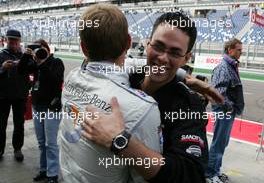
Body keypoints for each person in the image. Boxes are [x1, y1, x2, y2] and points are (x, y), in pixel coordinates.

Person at [81, 12, 224, 183]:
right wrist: (183, 75)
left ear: (187, 58)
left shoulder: (188, 105)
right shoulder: (125, 77)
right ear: (147, 45)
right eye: (158, 46)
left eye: (175, 52)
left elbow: (190, 173)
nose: (163, 57)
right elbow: (93, 65)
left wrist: (120, 142)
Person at [59, 4, 162, 183]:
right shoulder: (143, 108)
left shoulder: (72, 78)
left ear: (83, 48)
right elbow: (147, 178)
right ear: (129, 42)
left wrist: (182, 75)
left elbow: (121, 66)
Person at [17, 39, 65, 183]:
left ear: (47, 49)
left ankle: (53, 175)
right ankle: (44, 170)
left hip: (52, 107)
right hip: (38, 107)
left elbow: (55, 81)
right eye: (36, 49)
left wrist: (43, 63)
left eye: (41, 48)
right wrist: (26, 56)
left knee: (50, 143)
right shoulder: (34, 63)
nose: (40, 51)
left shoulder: (56, 62)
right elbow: (20, 71)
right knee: (41, 142)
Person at [205, 38, 244, 183]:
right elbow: (218, 94)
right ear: (230, 50)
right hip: (224, 111)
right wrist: (231, 107)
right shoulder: (223, 67)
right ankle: (209, 174)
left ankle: (216, 170)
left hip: (228, 111)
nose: (241, 52)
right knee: (219, 143)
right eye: (239, 49)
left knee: (222, 143)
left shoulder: (230, 66)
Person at [0, 29, 30, 161]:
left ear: (19, 41)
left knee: (19, 124)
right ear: (6, 40)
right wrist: (2, 68)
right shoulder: (1, 55)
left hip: (20, 96)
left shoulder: (25, 56)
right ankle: (0, 149)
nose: (12, 42)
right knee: (1, 124)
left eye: (15, 40)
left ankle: (17, 148)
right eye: (10, 39)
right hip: (2, 96)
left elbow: (31, 73)